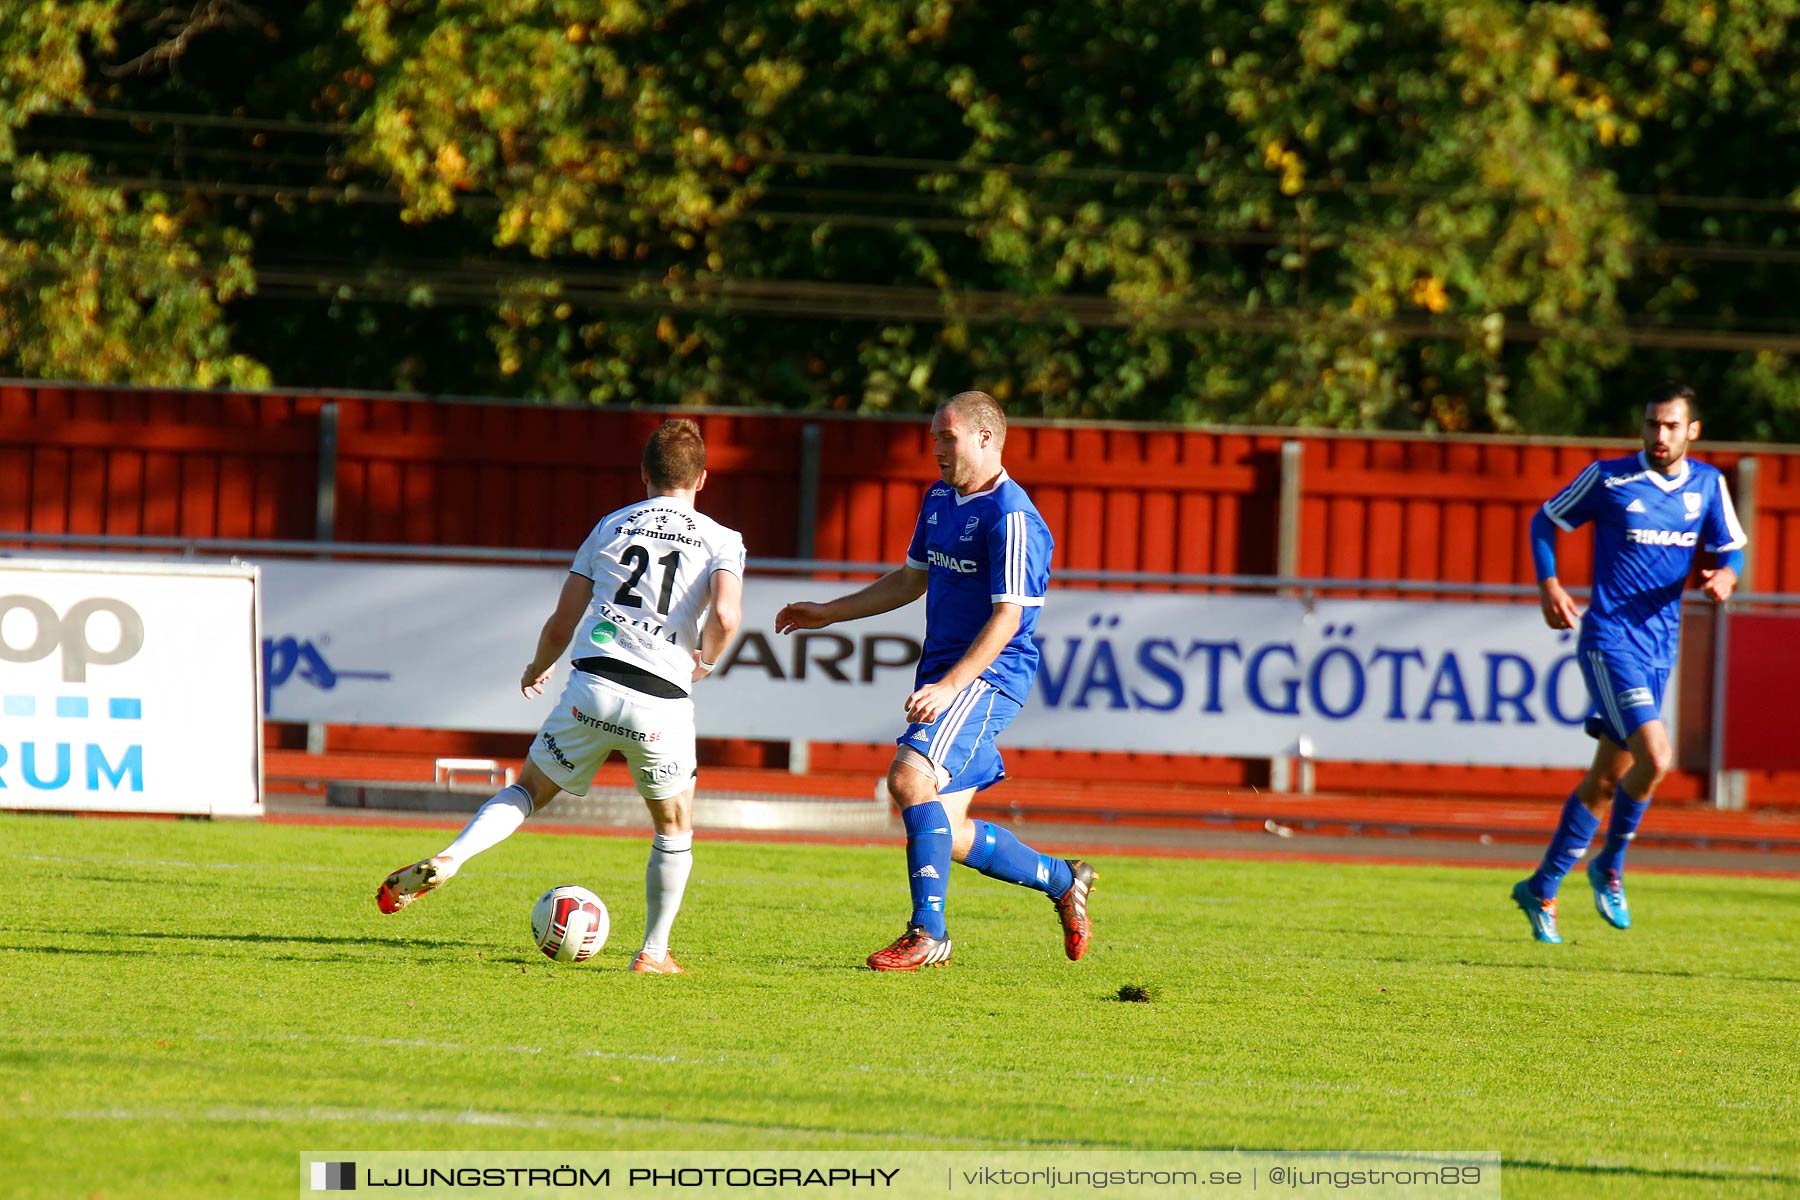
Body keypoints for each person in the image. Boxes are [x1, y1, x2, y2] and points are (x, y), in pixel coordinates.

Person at [377, 418, 744, 975]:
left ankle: (453, 856)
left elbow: (561, 623)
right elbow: (724, 615)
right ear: (703, 479)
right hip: (661, 701)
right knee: (673, 827)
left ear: (643, 472)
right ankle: (653, 952)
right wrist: (708, 659)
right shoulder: (721, 538)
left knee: (525, 791)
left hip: (592, 687)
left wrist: (537, 667)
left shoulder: (611, 525)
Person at [774, 391, 1095, 971]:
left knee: (908, 777)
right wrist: (829, 612)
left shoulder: (1012, 517)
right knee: (944, 825)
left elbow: (1008, 617)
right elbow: (908, 581)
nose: (936, 448)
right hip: (951, 675)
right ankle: (1062, 877)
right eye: (933, 438)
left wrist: (950, 687)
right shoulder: (941, 499)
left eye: (947, 437)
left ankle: (929, 933)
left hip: (988, 676)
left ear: (985, 438)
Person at [1512, 382, 1746, 943]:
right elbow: (1545, 520)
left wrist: (1728, 574)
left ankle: (1541, 886)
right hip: (1608, 639)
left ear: (1692, 431)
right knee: (1658, 756)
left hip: (1659, 650)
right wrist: (1549, 584)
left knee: (1606, 779)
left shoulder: (1708, 486)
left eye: (1670, 426)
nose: (1658, 435)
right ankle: (1610, 865)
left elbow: (1731, 546)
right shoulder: (1611, 478)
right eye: (1650, 424)